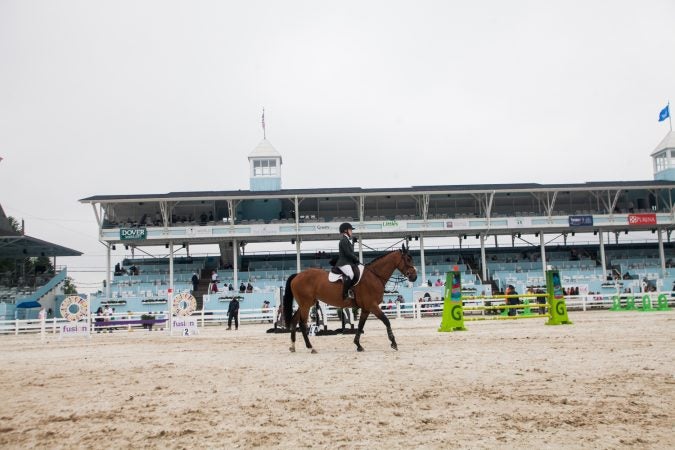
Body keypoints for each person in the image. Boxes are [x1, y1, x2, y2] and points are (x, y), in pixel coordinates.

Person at [335, 222, 359, 301]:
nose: (351, 231)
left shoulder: (347, 240)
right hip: (343, 263)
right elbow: (348, 253)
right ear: (345, 230)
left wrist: (353, 243)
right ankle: (346, 293)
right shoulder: (343, 240)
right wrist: (355, 258)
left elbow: (350, 251)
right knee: (351, 274)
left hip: (348, 263)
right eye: (350, 230)